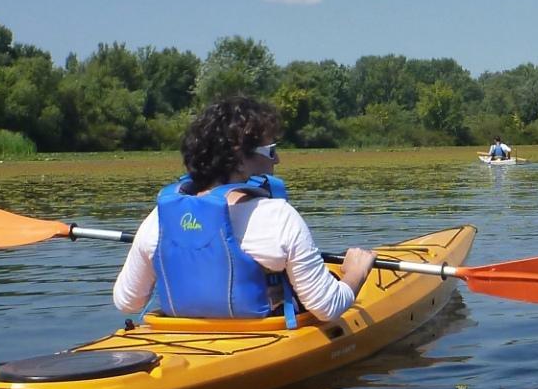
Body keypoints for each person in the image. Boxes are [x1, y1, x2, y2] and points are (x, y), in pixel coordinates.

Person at [113, 96, 375, 324]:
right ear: (239, 157)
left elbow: (128, 301)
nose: (278, 159)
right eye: (271, 150)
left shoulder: (158, 220)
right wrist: (354, 275)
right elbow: (327, 307)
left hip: (180, 335)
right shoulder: (277, 217)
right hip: (258, 337)